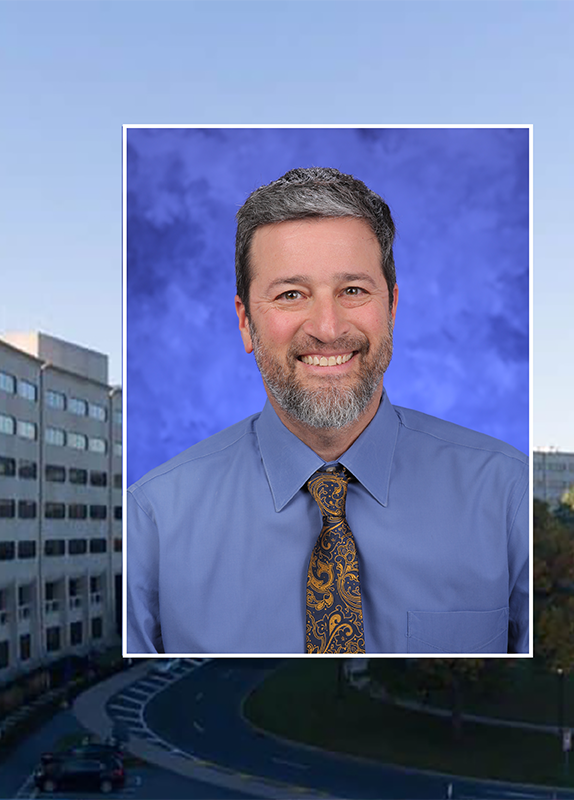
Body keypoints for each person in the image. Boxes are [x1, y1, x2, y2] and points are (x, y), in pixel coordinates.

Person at [126, 167, 529, 655]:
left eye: (353, 291)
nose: (327, 327)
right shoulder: (153, 521)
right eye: (290, 295)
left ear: (393, 308)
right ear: (245, 323)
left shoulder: (509, 496)